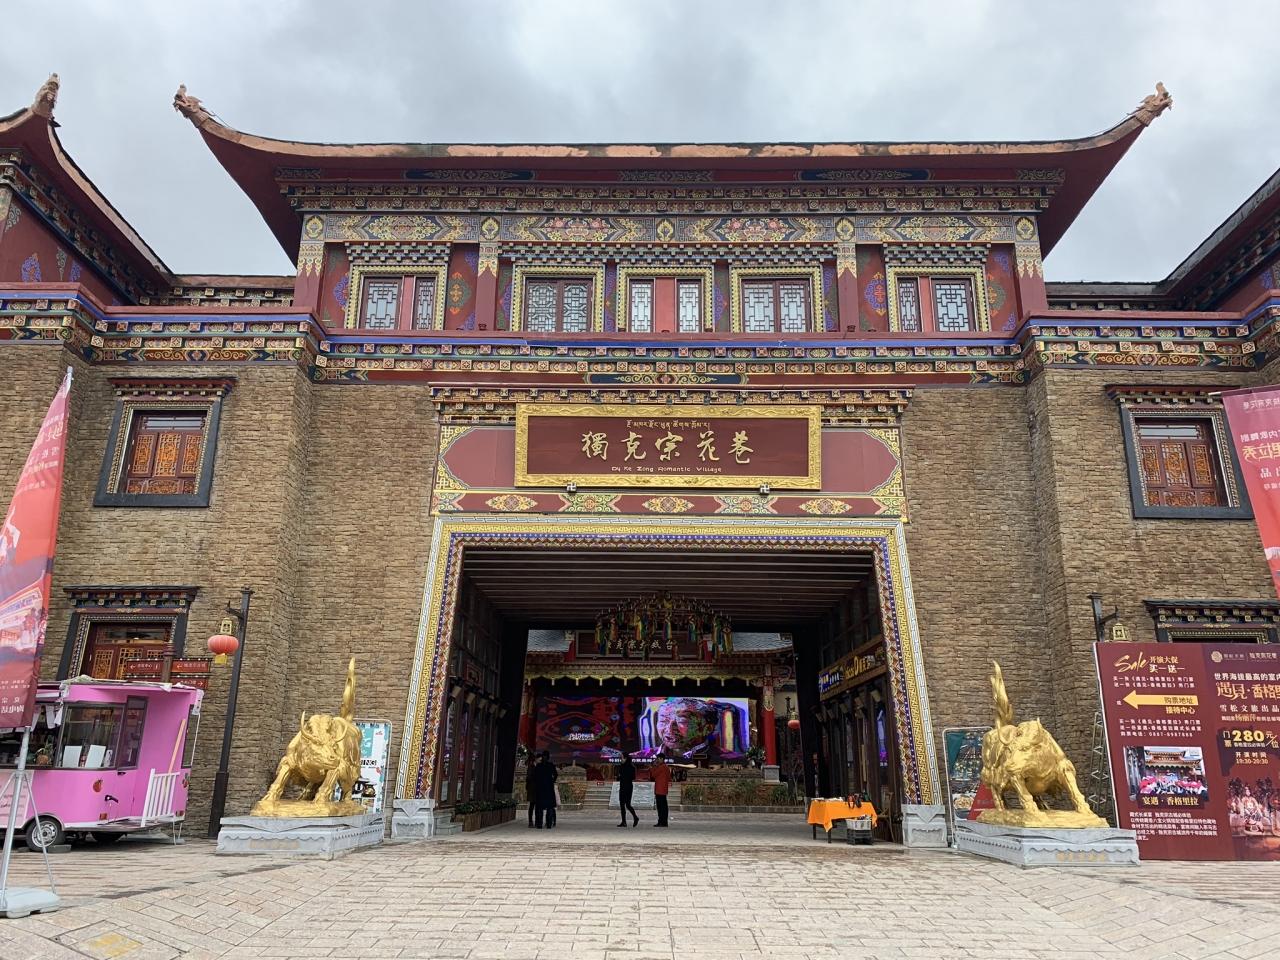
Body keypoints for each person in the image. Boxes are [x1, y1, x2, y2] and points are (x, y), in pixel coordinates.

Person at [533, 751, 558, 829]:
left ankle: (541, 824)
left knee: (543, 807)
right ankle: (546, 824)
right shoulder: (549, 765)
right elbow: (555, 775)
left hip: (542, 788)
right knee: (547, 807)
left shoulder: (540, 765)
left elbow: (534, 776)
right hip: (547, 788)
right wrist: (552, 781)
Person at [617, 753, 638, 828]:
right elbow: (619, 777)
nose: (621, 759)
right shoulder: (622, 766)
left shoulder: (631, 767)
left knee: (628, 805)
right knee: (622, 805)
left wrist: (622, 776)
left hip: (628, 787)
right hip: (623, 786)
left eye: (622, 758)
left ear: (626, 758)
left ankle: (635, 817)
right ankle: (624, 822)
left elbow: (632, 777)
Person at [651, 753, 672, 827]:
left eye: (658, 759)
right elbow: (669, 777)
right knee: (664, 806)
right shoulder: (666, 767)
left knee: (660, 807)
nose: (657, 760)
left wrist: (653, 766)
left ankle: (661, 822)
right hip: (663, 789)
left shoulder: (661, 767)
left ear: (662, 759)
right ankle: (664, 822)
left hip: (659, 789)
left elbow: (653, 775)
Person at [525, 755, 538, 828]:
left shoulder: (532, 766)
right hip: (533, 787)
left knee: (533, 805)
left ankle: (532, 821)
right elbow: (529, 777)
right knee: (533, 805)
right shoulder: (532, 767)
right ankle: (531, 821)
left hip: (532, 787)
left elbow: (528, 778)